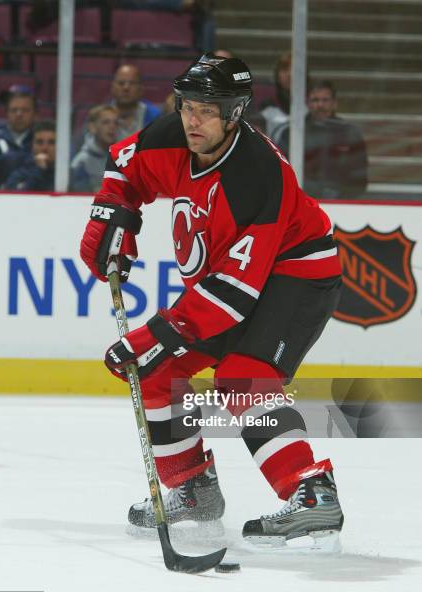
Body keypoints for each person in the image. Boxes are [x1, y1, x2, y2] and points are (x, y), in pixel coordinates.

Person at [79, 54, 344, 548]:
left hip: (298, 273)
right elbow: (124, 165)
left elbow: (231, 294)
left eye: (207, 109)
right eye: (187, 106)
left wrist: (156, 334)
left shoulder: (258, 174)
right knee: (156, 372)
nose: (193, 119)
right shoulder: (173, 135)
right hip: (235, 282)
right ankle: (193, 489)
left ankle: (312, 491)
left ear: (235, 113)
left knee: (243, 376)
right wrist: (113, 212)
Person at [274, 79, 368, 199]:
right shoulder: (291, 132)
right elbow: (281, 173)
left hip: (342, 204)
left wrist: (342, 199)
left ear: (335, 103)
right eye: (315, 100)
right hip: (301, 202)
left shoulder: (350, 133)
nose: (320, 105)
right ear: (307, 104)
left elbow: (359, 177)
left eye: (325, 100)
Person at [0, 90, 36, 189]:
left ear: (34, 113)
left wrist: (6, 159)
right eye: (14, 110)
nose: (19, 114)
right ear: (6, 113)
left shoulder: (42, 139)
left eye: (25, 110)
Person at [70, 105, 119, 192]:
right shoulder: (81, 162)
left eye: (115, 123)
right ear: (92, 127)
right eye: (105, 122)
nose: (112, 127)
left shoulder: (124, 157)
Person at [111, 64, 161, 141]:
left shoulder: (155, 116)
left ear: (141, 88)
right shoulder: (99, 115)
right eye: (121, 83)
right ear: (112, 87)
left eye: (132, 83)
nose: (126, 88)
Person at [2, 120, 55, 191]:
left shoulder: (67, 174)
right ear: (32, 145)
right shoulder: (19, 174)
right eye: (39, 142)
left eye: (51, 142)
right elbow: (18, 198)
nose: (45, 148)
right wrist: (40, 170)